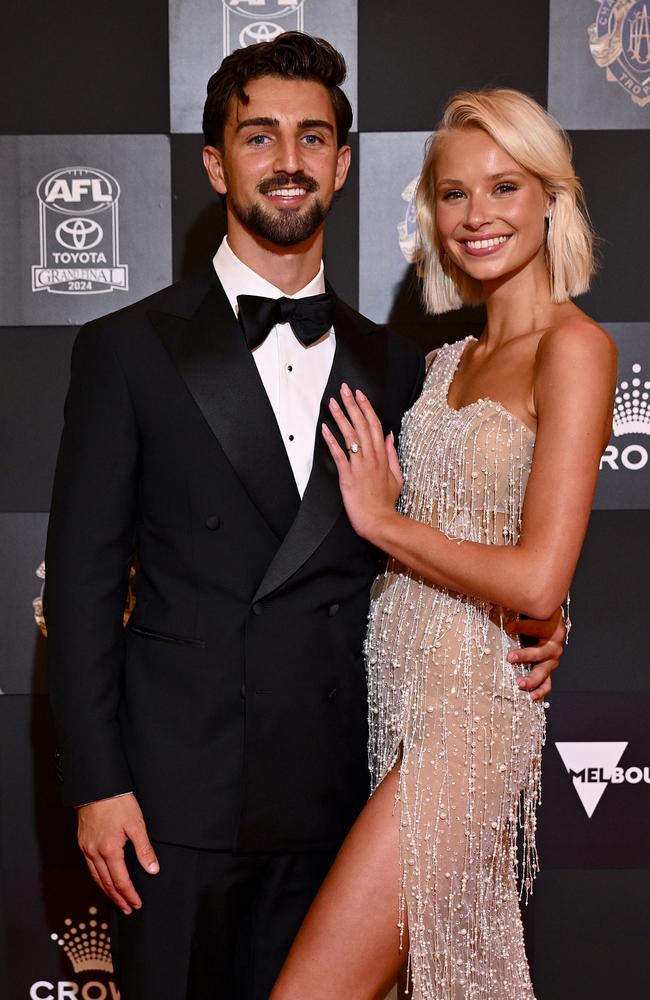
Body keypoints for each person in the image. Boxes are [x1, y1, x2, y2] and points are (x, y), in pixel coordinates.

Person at [44, 34, 565, 1000]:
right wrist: (96, 783)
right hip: (172, 809)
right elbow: (79, 586)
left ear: (343, 162)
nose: (289, 161)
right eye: (260, 138)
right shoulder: (126, 350)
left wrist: (538, 615)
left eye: (312, 137)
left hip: (339, 799)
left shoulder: (401, 369)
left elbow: (458, 541)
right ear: (215, 162)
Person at [269, 89, 616, 1000]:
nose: (477, 216)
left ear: (551, 198)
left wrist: (385, 522)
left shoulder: (572, 348)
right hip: (398, 701)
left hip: (469, 722)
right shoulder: (442, 363)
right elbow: (480, 540)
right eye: (453, 194)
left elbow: (540, 575)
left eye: (505, 187)